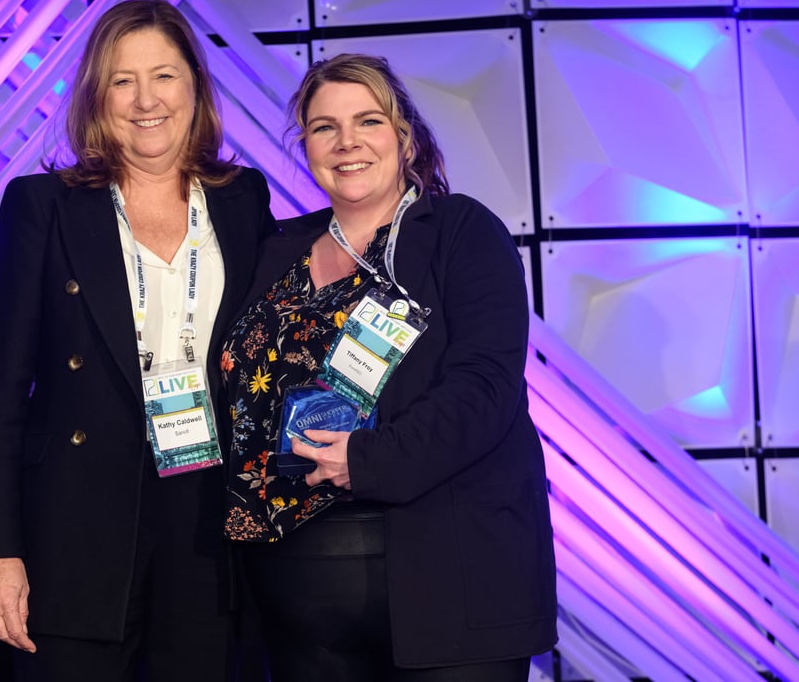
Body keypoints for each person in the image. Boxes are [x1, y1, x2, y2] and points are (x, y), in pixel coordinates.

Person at [0, 0, 275, 681]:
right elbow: (0, 393)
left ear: (194, 85)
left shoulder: (244, 198)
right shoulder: (41, 207)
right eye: (122, 80)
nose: (145, 100)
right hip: (74, 524)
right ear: (96, 97)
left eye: (163, 76)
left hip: (208, 517)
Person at [220, 53, 557, 681]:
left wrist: (365, 460)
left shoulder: (460, 232)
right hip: (295, 608)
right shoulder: (274, 252)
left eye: (368, 121)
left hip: (448, 587)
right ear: (306, 145)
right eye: (324, 127)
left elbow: (485, 388)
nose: (347, 142)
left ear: (404, 137)